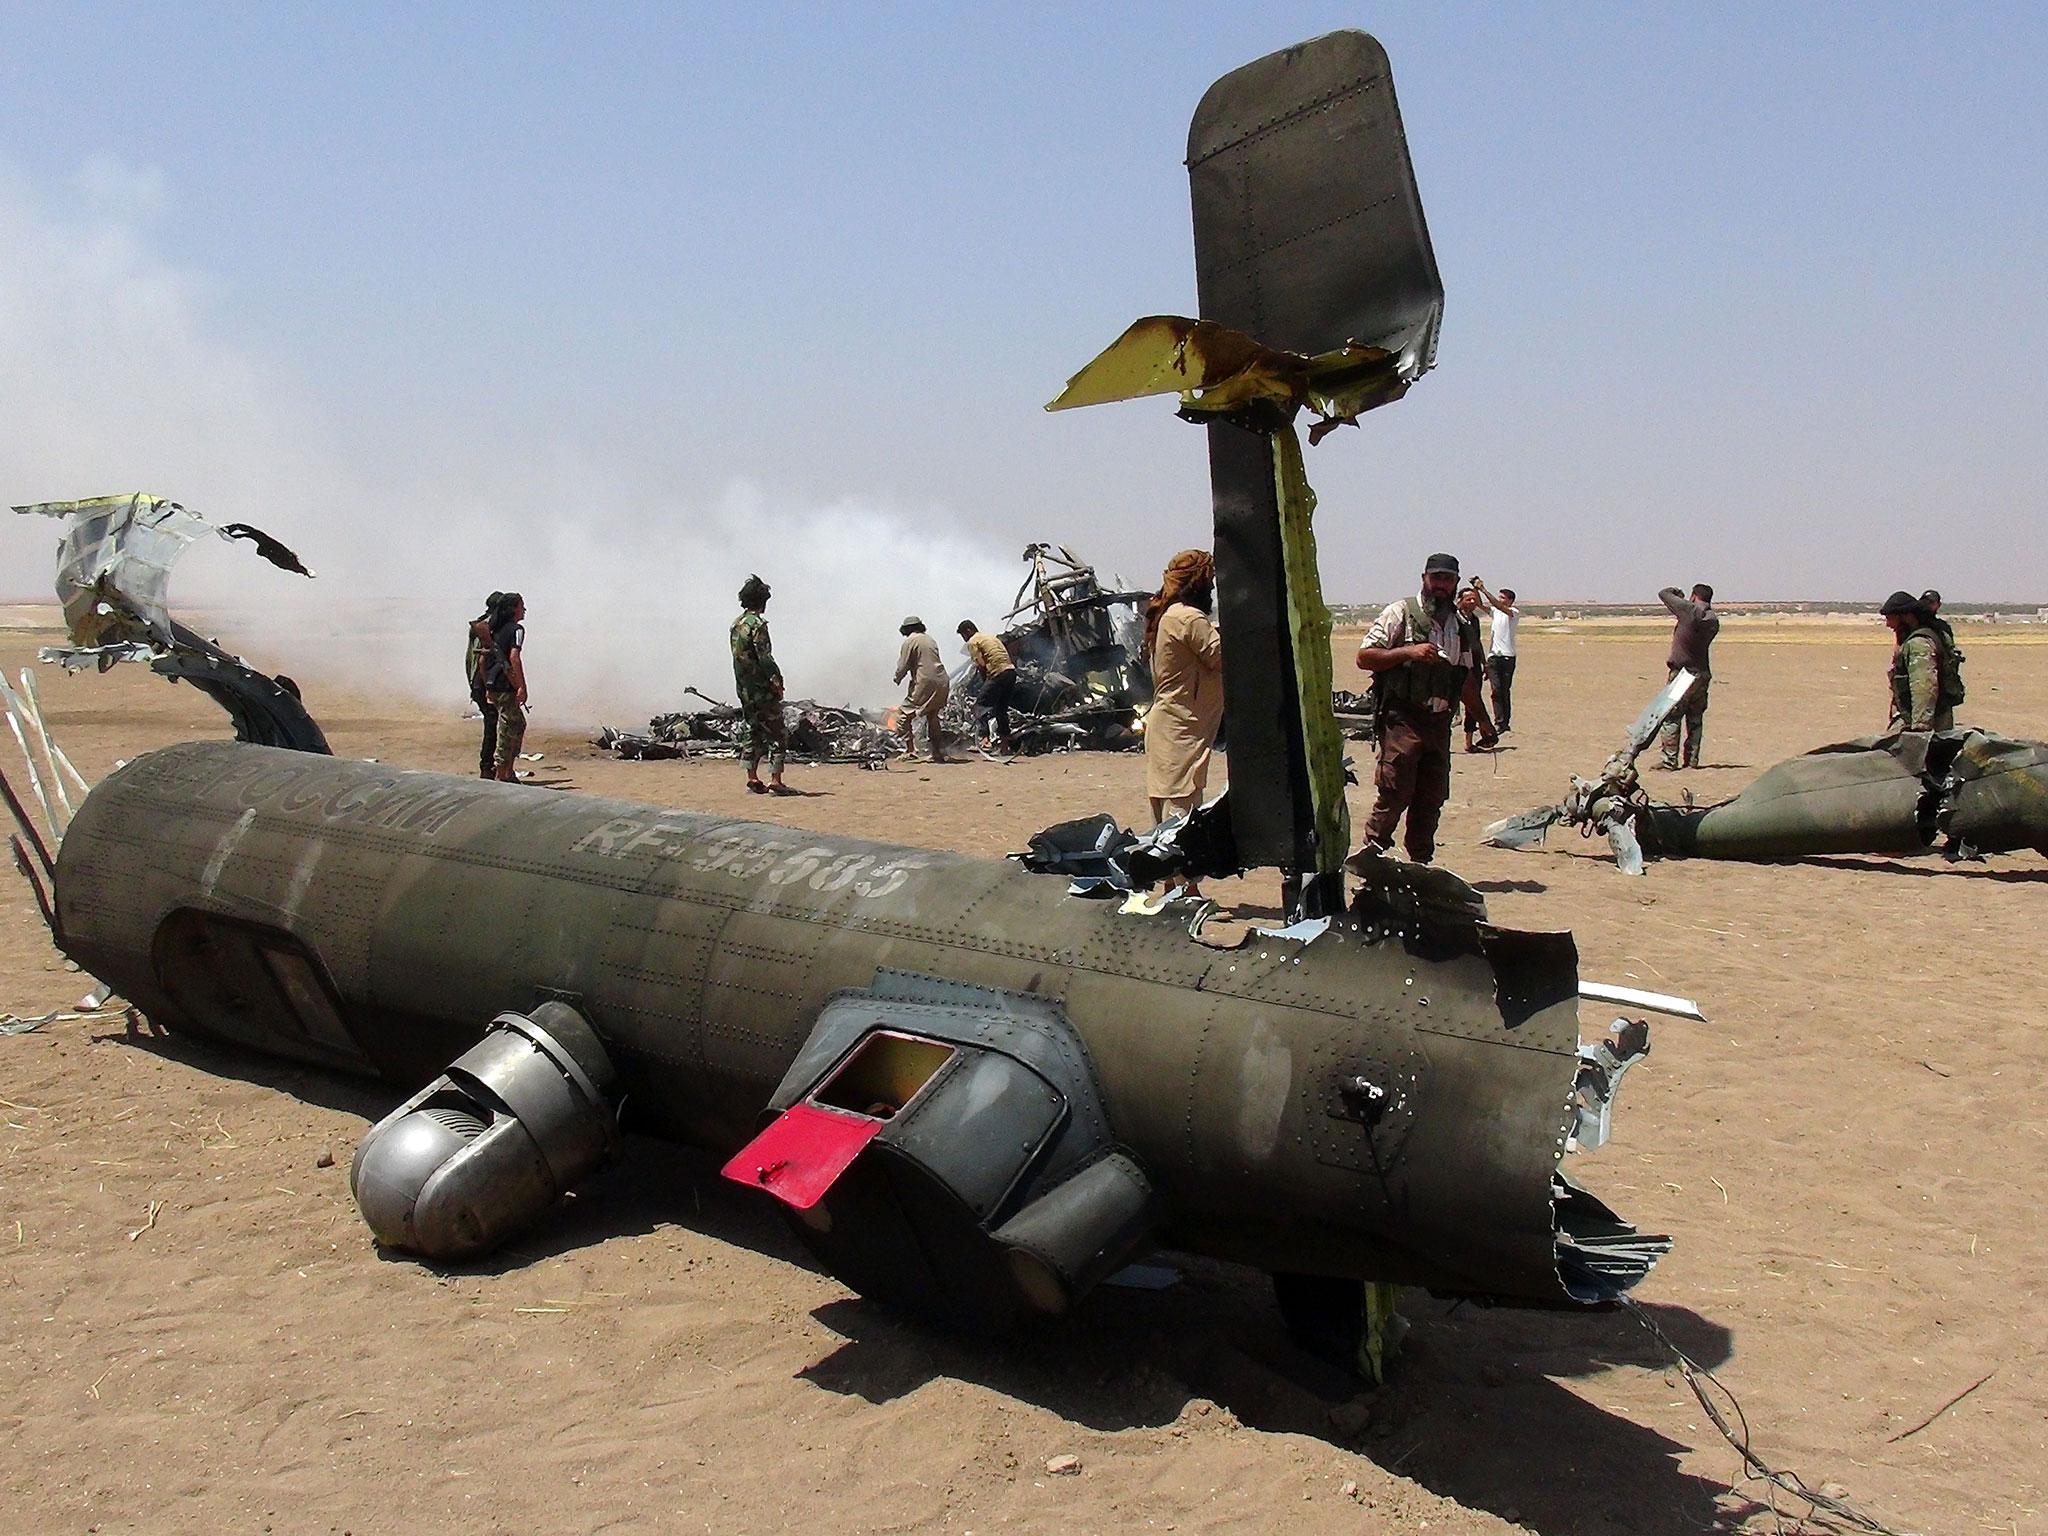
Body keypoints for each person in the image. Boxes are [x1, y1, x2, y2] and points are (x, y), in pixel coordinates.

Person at [1352, 553, 1488, 864]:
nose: (1441, 585)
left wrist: (1483, 721)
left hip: (1439, 722)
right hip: (1403, 719)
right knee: (1395, 791)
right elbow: (1365, 657)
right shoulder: (1401, 612)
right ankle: (1373, 859)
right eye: (1435, 578)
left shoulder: (1459, 626)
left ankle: (1421, 865)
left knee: (1431, 797)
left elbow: (1464, 680)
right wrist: (1408, 652)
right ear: (1424, 578)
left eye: (1447, 579)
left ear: (1455, 583)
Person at [1142, 549, 1224, 829]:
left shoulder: (1170, 615)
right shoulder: (1188, 619)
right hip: (1181, 730)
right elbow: (1221, 657)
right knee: (1180, 822)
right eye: (1209, 580)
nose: (1212, 587)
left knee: (1162, 822)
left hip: (1171, 726)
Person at [730, 575, 792, 795]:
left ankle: (752, 777)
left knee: (752, 730)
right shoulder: (757, 625)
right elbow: (765, 657)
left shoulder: (736, 625)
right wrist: (776, 681)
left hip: (744, 689)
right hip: (761, 689)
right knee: (778, 733)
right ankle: (776, 780)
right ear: (762, 601)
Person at [1656, 582, 1718, 770]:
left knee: (1671, 716)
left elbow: (1664, 593)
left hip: (1683, 674)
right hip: (1702, 674)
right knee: (1695, 718)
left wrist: (1677, 593)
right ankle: (1692, 760)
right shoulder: (1712, 619)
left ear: (1694, 597)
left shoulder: (1690, 611)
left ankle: (1669, 760)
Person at [1882, 590, 1962, 732]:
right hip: (1929, 718)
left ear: (1905, 617)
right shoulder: (1923, 636)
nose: (1888, 624)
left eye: (1890, 618)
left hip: (1924, 722)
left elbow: (1924, 687)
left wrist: (1920, 728)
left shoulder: (1918, 643)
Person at [481, 592, 527, 783]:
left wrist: (487, 686)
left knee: (514, 725)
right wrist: (521, 687)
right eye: (521, 606)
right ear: (513, 609)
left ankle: (507, 770)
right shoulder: (517, 630)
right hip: (505, 686)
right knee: (509, 728)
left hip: (495, 684)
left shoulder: (494, 630)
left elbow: (482, 659)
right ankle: (503, 773)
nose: (524, 610)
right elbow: (514, 659)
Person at [894, 617, 953, 762]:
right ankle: (937, 752)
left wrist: (897, 677)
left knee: (903, 714)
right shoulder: (930, 639)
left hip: (925, 682)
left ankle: (910, 750)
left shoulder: (910, 641)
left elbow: (903, 665)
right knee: (932, 716)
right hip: (942, 680)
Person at [957, 620, 1017, 754]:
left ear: (968, 630)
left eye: (963, 635)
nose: (964, 639)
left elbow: (981, 664)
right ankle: (1004, 747)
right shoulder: (990, 637)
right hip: (1011, 673)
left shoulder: (973, 641)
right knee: (1000, 710)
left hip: (998, 674)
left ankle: (985, 740)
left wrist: (986, 682)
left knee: (979, 707)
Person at [1469, 577, 1518, 733]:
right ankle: (1499, 721)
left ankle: (1505, 722)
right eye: (1500, 597)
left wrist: (1483, 589)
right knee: (1495, 690)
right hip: (1493, 656)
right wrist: (1475, 589)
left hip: (1507, 656)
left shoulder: (1513, 612)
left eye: (1503, 597)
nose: (1500, 600)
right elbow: (1479, 604)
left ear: (1510, 601)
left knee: (1504, 690)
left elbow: (1496, 605)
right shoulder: (1495, 612)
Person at [1455, 586, 1500, 753]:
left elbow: (1477, 643)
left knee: (1473, 704)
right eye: (1469, 599)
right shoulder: (1453, 619)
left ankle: (1469, 742)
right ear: (1460, 600)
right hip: (1456, 665)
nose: (1472, 602)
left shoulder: (1474, 620)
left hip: (1473, 665)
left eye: (1474, 599)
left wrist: (1484, 663)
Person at [465, 590, 504, 779]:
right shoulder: (486, 627)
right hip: (483, 683)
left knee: (493, 722)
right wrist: (487, 687)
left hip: (478, 683)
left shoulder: (480, 624)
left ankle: (490, 766)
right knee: (492, 723)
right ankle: (487, 767)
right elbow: (481, 661)